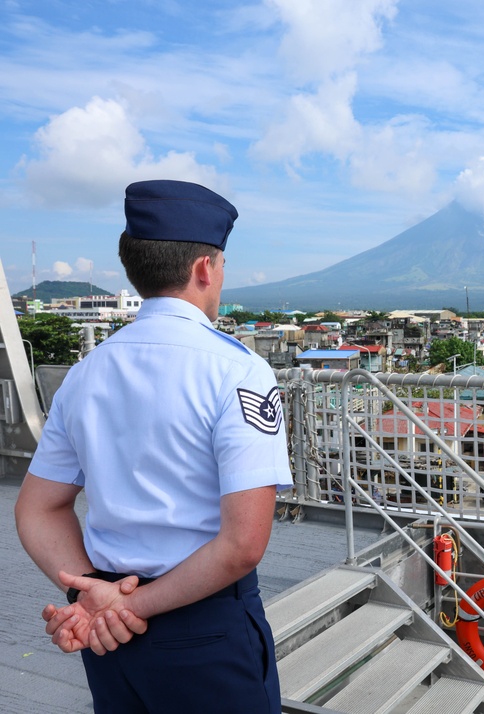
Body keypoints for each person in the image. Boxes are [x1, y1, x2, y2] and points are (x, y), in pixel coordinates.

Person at [15, 180, 292, 713]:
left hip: (110, 637)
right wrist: (128, 605)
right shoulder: (239, 372)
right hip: (204, 629)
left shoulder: (85, 373)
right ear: (205, 269)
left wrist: (92, 595)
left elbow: (37, 507)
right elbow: (242, 544)